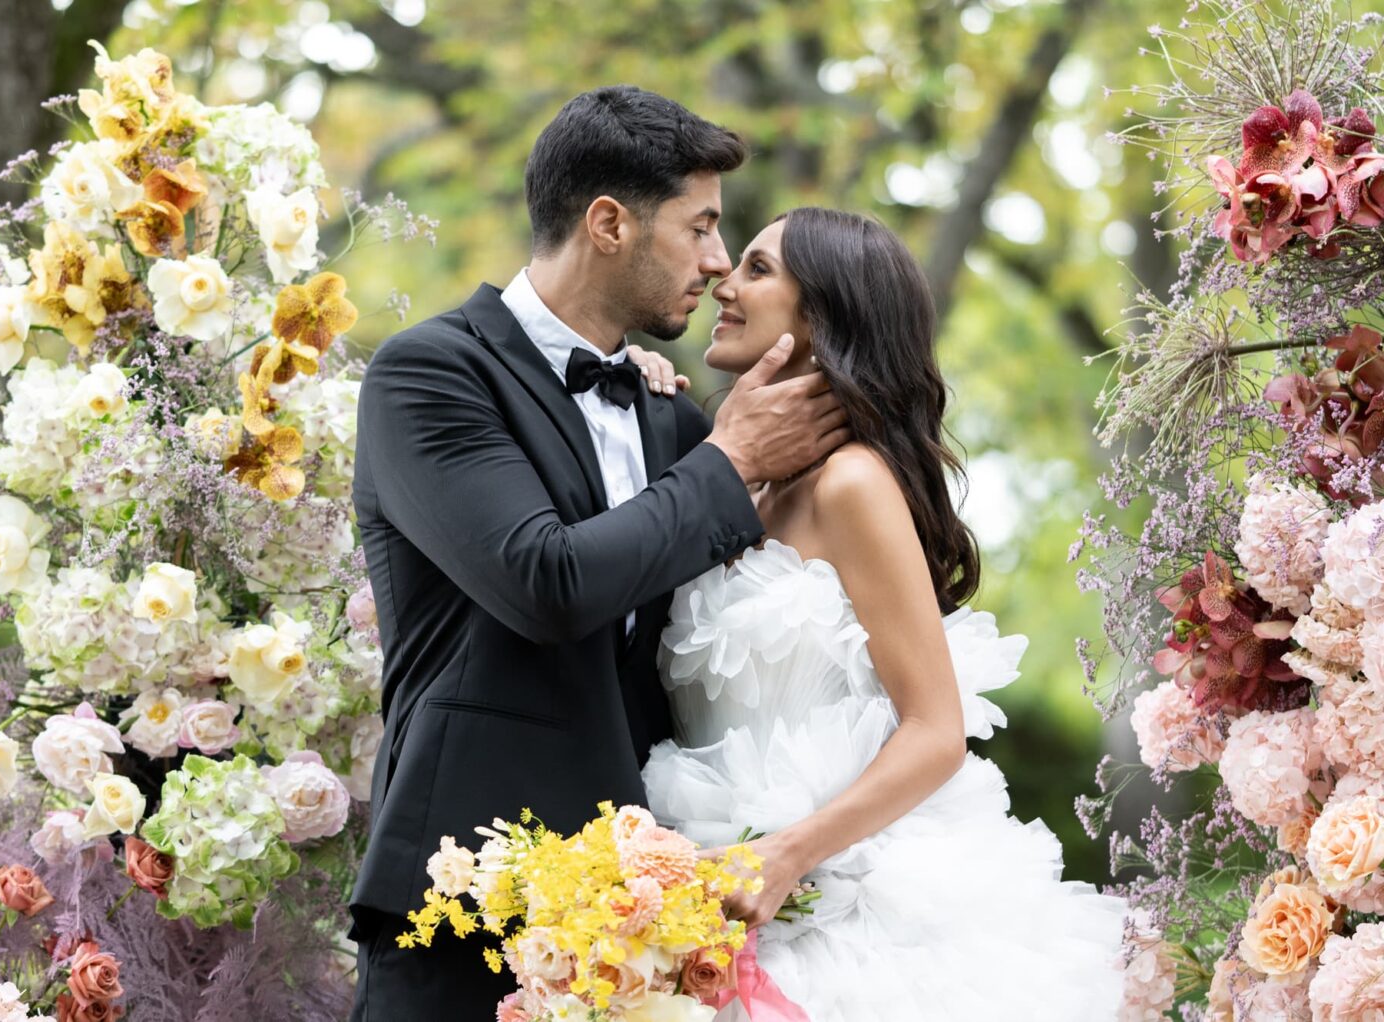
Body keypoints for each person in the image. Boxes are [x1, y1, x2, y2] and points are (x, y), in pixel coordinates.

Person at [347, 89, 849, 1021]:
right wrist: (730, 461)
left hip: (644, 921)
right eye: (700, 227)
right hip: (463, 895)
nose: (714, 263)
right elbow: (545, 582)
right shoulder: (426, 373)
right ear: (609, 223)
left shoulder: (674, 418)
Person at [640, 207, 1128, 1021]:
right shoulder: (735, 481)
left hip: (856, 904)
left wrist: (787, 855)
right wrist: (646, 389)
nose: (725, 280)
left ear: (822, 316)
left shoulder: (851, 484)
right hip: (712, 882)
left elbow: (935, 729)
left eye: (759, 269)